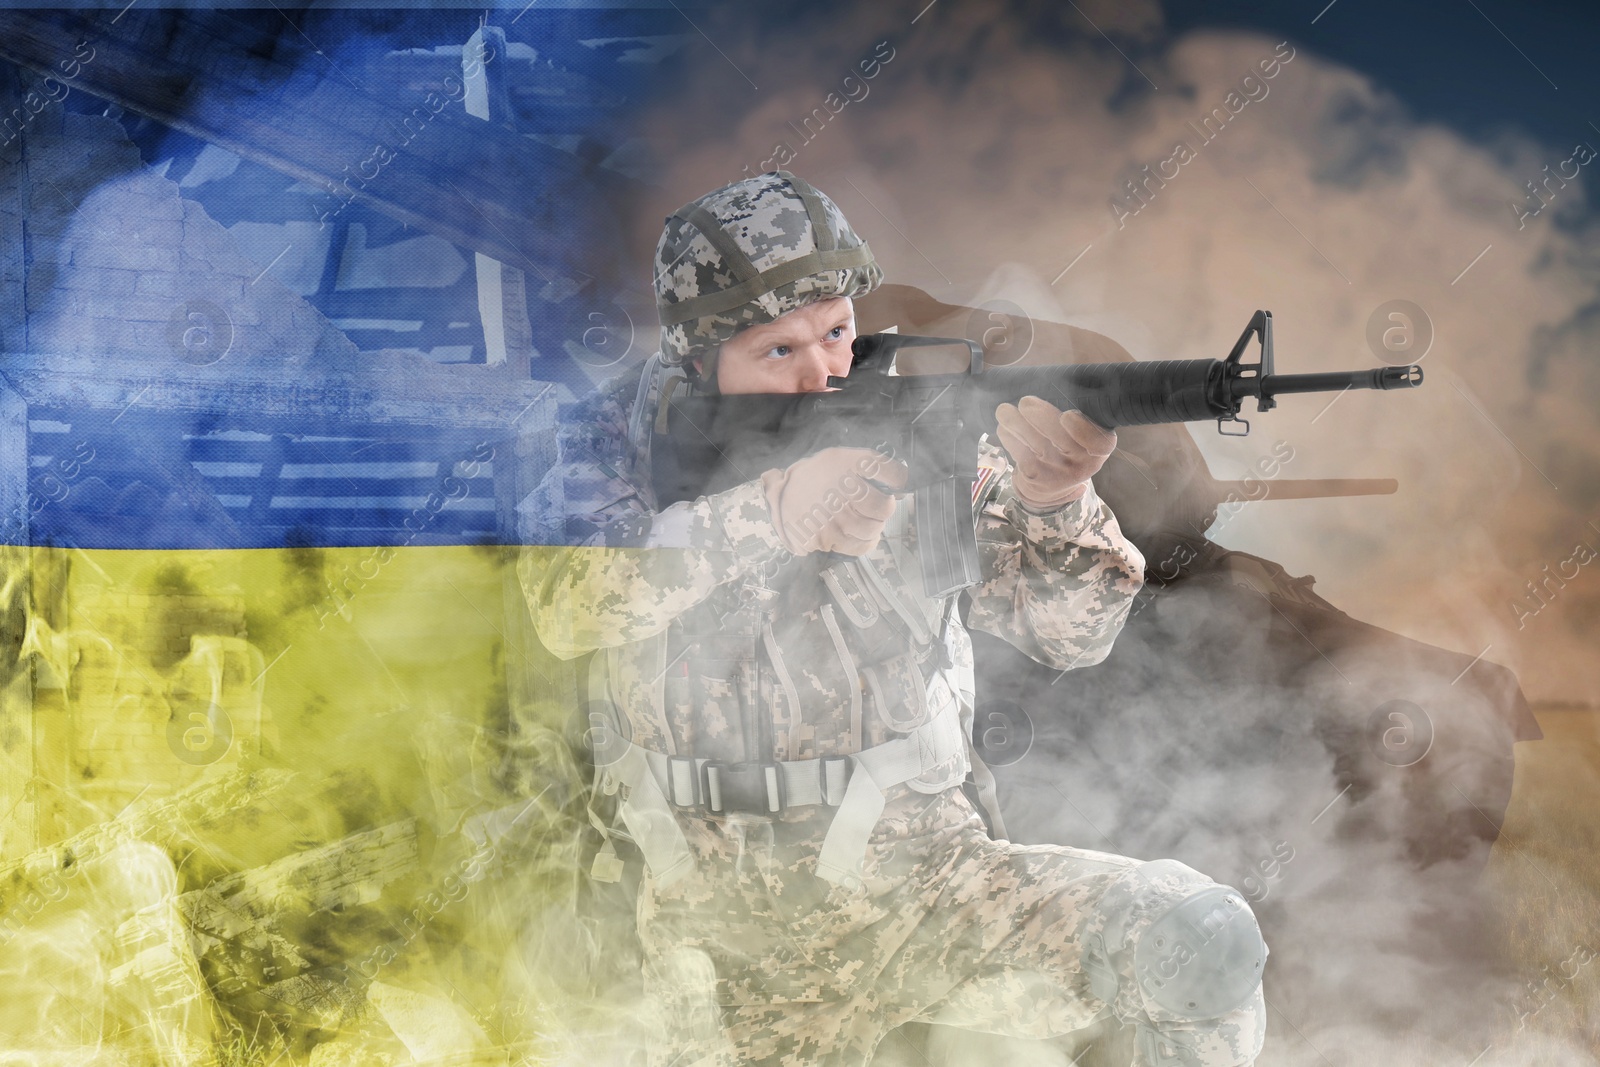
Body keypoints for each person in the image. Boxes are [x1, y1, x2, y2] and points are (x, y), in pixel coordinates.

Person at [520, 171, 1267, 1066]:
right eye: (778, 351)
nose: (821, 374)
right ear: (696, 360)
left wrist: (1055, 496)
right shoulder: (613, 444)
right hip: (696, 929)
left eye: (836, 332)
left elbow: (1072, 634)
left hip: (928, 887)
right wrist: (771, 508)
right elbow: (568, 605)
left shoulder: (912, 421)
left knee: (1199, 944)